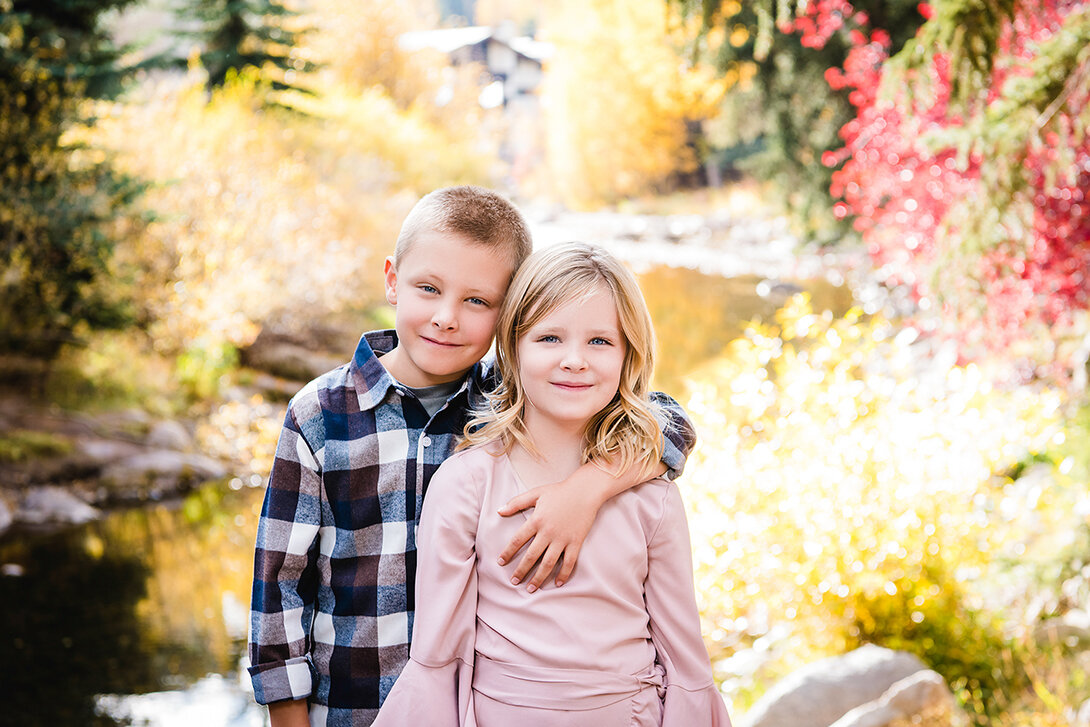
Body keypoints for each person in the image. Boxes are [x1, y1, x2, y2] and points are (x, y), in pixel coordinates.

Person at [248, 187, 697, 727]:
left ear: (510, 316)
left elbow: (668, 423)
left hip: (474, 705)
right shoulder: (320, 415)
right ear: (393, 280)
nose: (446, 318)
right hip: (352, 703)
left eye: (476, 301)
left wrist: (587, 489)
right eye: (429, 289)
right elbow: (278, 590)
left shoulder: (516, 400)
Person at [372, 242, 731, 726]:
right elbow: (439, 656)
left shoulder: (652, 494)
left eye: (601, 341)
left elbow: (684, 655)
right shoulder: (466, 483)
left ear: (629, 355)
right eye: (549, 339)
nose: (575, 360)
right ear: (512, 349)